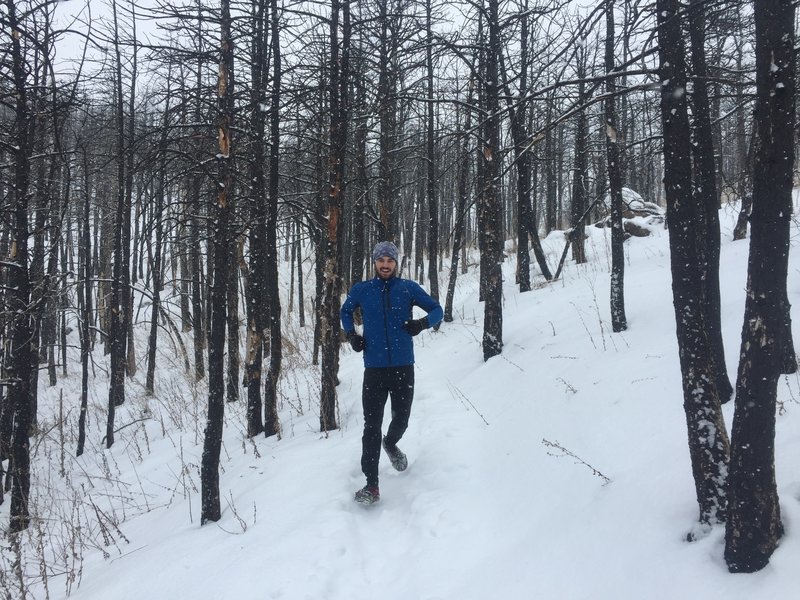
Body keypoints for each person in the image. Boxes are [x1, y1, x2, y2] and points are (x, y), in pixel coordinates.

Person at [341, 241, 443, 505]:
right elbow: (345, 311)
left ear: (397, 263)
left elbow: (437, 310)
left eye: (390, 260)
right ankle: (371, 486)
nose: (385, 265)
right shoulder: (362, 290)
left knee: (402, 419)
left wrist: (421, 324)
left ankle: (391, 442)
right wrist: (352, 335)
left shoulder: (408, 288)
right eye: (380, 260)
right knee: (370, 426)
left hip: (402, 367)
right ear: (374, 263)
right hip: (373, 369)